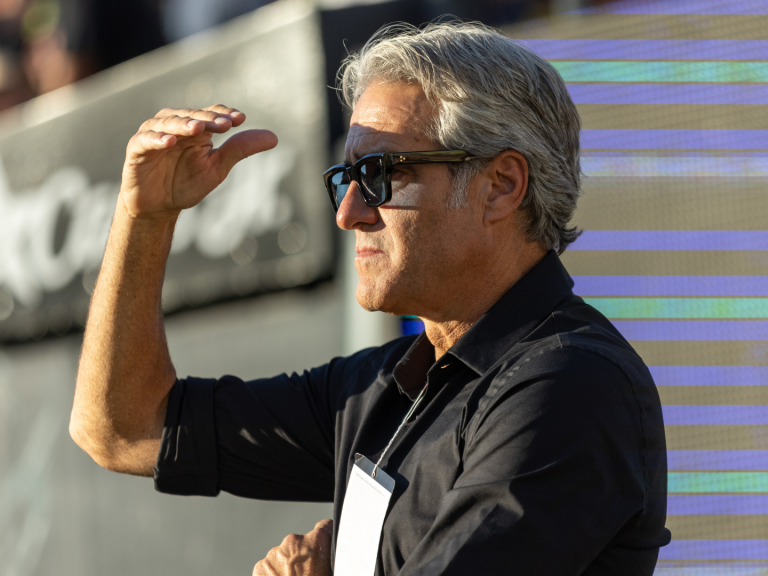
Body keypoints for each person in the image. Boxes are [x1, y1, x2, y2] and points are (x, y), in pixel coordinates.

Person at [69, 21, 670, 576]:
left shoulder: (571, 384)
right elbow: (122, 428)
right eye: (346, 178)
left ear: (501, 186)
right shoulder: (390, 383)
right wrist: (144, 217)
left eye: (380, 174)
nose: (349, 213)